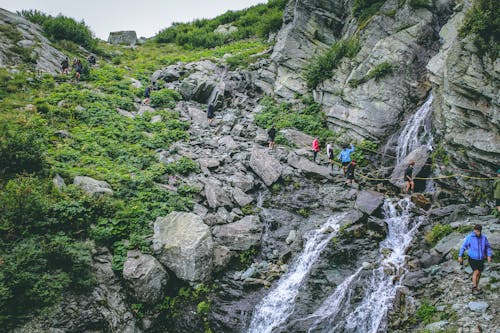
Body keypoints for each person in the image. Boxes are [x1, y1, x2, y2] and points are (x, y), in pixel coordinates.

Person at [458, 224, 493, 294]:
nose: (477, 232)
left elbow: (488, 247)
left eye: (478, 231)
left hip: (481, 259)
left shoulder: (484, 238)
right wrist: (460, 256)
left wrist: (489, 256)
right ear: (474, 230)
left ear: (480, 231)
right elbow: (463, 246)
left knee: (479, 273)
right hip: (472, 258)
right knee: (476, 272)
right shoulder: (470, 237)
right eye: (476, 231)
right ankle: (474, 288)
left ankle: (476, 287)